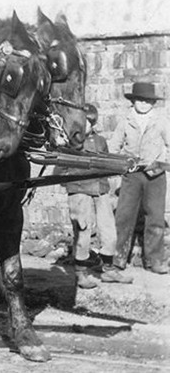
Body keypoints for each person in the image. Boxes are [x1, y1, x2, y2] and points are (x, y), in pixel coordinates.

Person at [59, 104, 132, 288]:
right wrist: (73, 182)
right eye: (82, 122)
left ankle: (108, 269)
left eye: (89, 122)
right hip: (79, 190)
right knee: (83, 230)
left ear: (93, 123)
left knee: (109, 229)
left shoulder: (100, 140)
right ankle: (81, 273)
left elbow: (107, 161)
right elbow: (59, 170)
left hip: (100, 188)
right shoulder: (70, 143)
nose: (85, 126)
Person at [109, 81, 170, 275]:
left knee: (155, 218)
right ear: (133, 101)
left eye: (148, 101)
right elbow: (113, 147)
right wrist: (121, 166)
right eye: (139, 100)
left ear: (153, 103)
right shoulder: (126, 121)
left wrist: (162, 163)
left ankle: (155, 260)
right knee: (124, 217)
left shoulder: (161, 121)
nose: (143, 104)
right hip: (132, 175)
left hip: (156, 176)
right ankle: (117, 259)